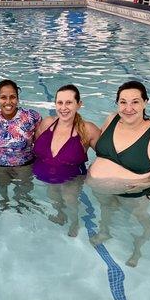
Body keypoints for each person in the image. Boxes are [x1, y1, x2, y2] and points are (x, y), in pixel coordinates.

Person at [87, 80, 150, 266]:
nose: (128, 108)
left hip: (135, 192)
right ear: (117, 103)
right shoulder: (111, 119)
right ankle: (105, 231)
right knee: (106, 209)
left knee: (140, 219)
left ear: (145, 103)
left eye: (135, 101)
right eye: (123, 102)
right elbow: (103, 150)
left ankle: (139, 244)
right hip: (102, 189)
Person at [33, 84, 100, 237]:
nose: (64, 108)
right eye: (60, 103)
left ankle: (74, 222)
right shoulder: (47, 123)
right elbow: (36, 146)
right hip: (47, 177)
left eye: (69, 102)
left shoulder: (88, 129)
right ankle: (59, 215)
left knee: (70, 200)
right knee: (53, 196)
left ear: (79, 104)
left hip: (72, 179)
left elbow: (106, 155)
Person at [0, 79, 42, 211]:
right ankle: (4, 201)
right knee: (1, 188)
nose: (8, 102)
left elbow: (42, 141)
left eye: (12, 97)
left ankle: (20, 205)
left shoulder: (31, 117)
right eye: (3, 97)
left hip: (24, 166)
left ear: (17, 98)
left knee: (23, 196)